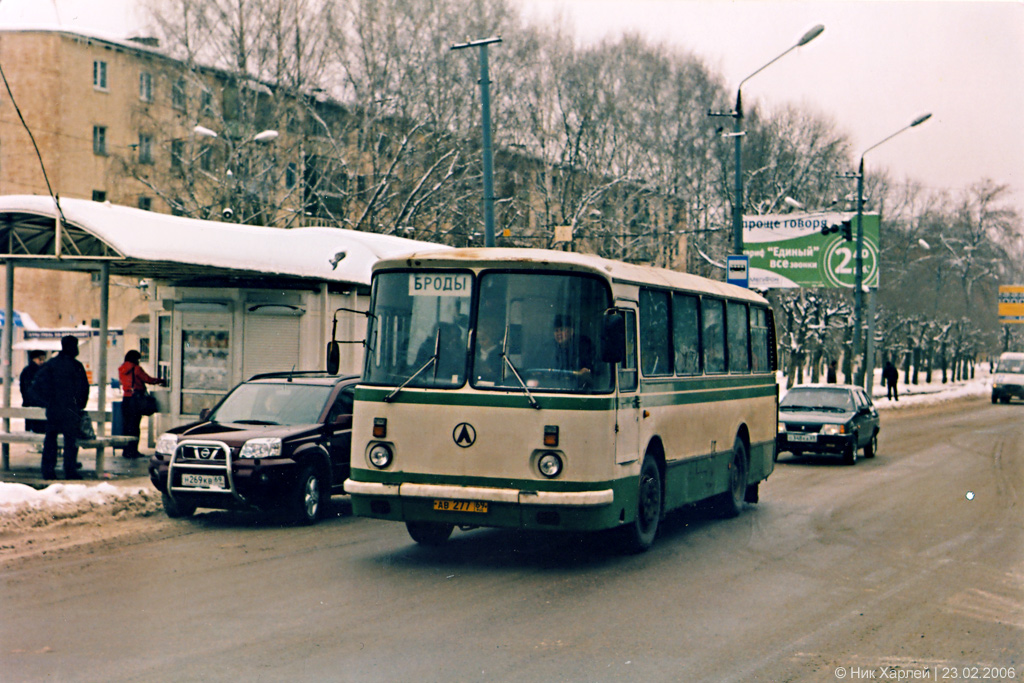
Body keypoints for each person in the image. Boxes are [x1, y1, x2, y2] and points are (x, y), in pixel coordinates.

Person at [31, 335, 89, 480]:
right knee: (70, 441)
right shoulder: (76, 366)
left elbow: (37, 385)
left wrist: (48, 400)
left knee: (51, 440)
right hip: (70, 409)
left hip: (54, 408)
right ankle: (70, 470)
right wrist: (79, 405)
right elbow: (84, 389)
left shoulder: (51, 364)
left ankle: (48, 471)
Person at [118, 350, 165, 459]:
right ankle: (133, 451)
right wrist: (160, 381)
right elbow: (147, 379)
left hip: (126, 399)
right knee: (135, 426)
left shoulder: (121, 369)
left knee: (126, 426)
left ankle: (126, 450)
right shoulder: (136, 369)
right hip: (136, 399)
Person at [552, 314, 595, 382]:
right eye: (556, 331)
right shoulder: (549, 349)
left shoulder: (583, 346)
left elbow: (588, 370)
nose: (559, 333)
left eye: (562, 330)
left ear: (571, 331)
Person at [19, 350, 47, 433]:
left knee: (30, 428)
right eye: (40, 359)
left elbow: (23, 389)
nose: (42, 361)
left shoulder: (26, 370)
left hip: (28, 403)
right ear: (34, 359)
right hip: (37, 404)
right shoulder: (39, 371)